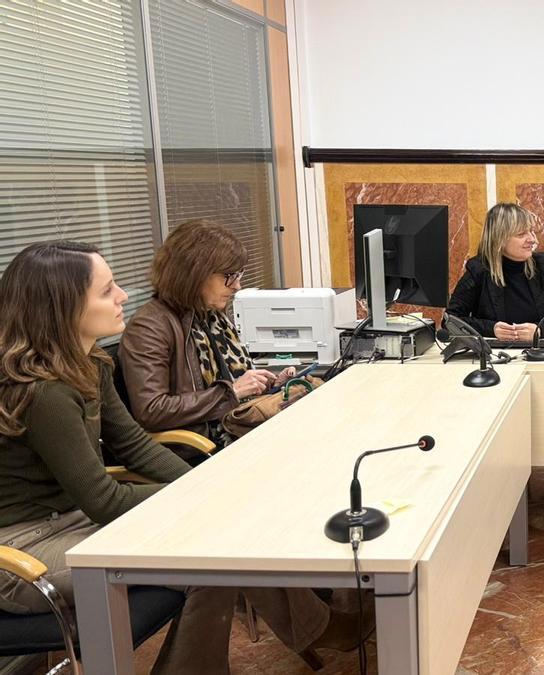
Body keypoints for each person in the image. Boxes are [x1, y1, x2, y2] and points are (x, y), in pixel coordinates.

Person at [0, 242, 362, 674]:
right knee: (208, 563)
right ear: (63, 306)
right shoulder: (46, 393)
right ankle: (319, 630)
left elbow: (133, 442)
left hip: (71, 517)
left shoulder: (90, 363)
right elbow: (103, 500)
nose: (122, 297)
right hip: (23, 549)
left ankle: (318, 628)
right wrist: (202, 495)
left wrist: (205, 485)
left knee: (222, 538)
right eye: (106, 290)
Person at [121, 220, 294, 449]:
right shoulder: (149, 327)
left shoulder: (208, 314)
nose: (237, 286)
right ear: (195, 273)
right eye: (230, 276)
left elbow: (231, 381)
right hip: (199, 448)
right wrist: (232, 392)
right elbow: (152, 410)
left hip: (234, 429)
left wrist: (268, 385)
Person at [446, 202, 544, 341]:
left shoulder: (543, 267)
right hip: (496, 356)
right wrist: (491, 329)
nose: (532, 239)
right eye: (521, 234)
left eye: (531, 231)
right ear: (499, 239)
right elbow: (451, 321)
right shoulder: (479, 270)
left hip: (540, 353)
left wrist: (540, 331)